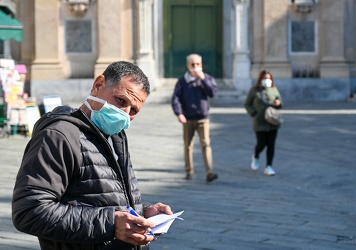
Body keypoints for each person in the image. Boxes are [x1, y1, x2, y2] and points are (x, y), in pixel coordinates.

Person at [12, 61, 173, 250]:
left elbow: (99, 195)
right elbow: (29, 211)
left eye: (134, 110)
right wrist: (112, 224)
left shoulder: (116, 136)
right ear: (98, 85)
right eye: (121, 100)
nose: (125, 114)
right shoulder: (59, 135)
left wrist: (142, 214)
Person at [171, 53, 219, 182]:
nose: (195, 67)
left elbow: (213, 93)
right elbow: (176, 98)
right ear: (188, 65)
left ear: (201, 65)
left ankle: (209, 172)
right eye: (193, 64)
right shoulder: (182, 81)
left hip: (203, 117)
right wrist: (179, 113)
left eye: (198, 64)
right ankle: (189, 171)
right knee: (188, 145)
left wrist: (203, 79)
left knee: (206, 144)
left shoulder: (206, 79)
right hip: (188, 118)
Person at [244, 69, 283, 176]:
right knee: (261, 143)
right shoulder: (254, 90)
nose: (267, 80)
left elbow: (280, 102)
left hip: (272, 121)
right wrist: (253, 113)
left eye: (269, 78)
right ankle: (256, 156)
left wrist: (278, 103)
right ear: (260, 79)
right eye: (265, 78)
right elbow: (247, 104)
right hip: (259, 121)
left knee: (271, 144)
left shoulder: (274, 89)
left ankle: (269, 166)